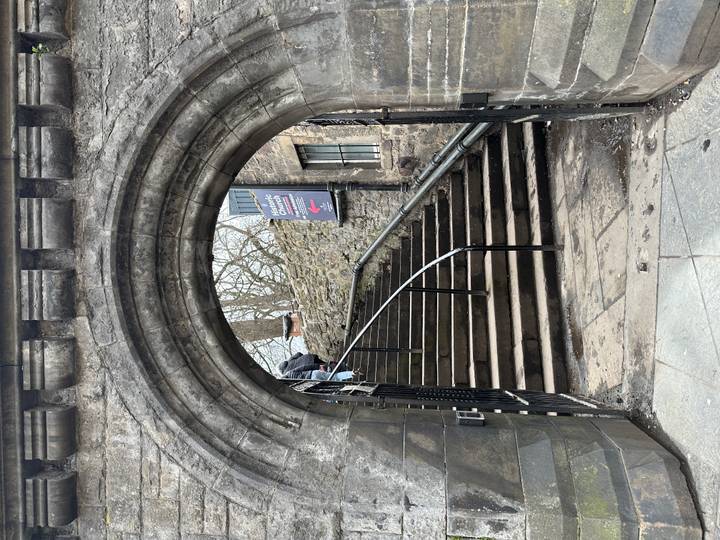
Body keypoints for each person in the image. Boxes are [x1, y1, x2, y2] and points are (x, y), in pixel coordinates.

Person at [278, 353, 362, 381]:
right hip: (310, 359)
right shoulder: (290, 361)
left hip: (311, 379)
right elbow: (299, 355)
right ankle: (346, 369)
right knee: (328, 367)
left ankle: (349, 374)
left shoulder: (288, 378)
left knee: (333, 377)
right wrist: (319, 367)